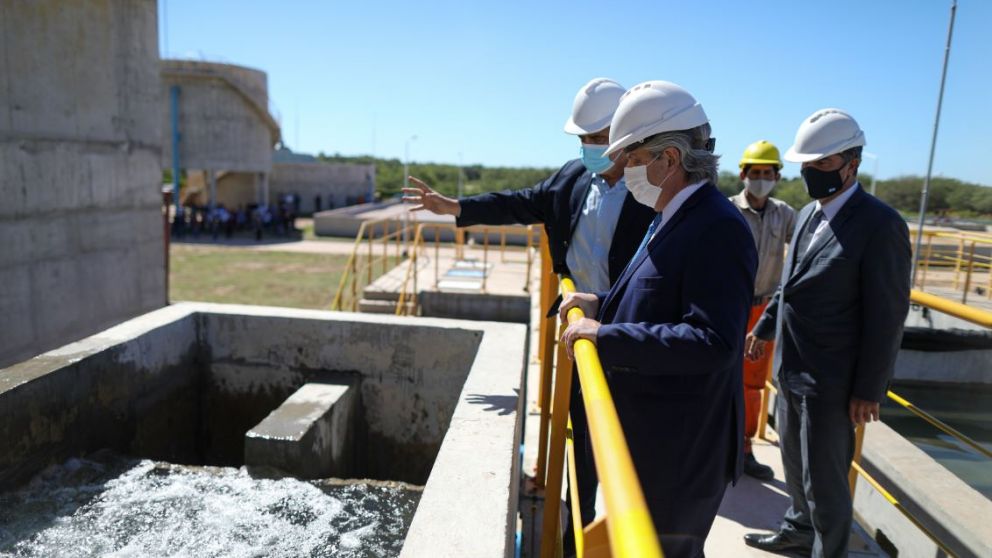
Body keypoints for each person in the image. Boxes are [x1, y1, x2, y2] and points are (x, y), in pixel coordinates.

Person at [402, 78, 656, 542]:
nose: (589, 148)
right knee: (583, 420)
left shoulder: (653, 191)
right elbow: (519, 202)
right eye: (583, 140)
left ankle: (620, 522)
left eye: (598, 139)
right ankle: (584, 521)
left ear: (625, 136)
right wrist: (454, 206)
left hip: (633, 328)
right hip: (581, 328)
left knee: (629, 434)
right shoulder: (573, 179)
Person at [559, 80, 757, 558]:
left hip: (680, 455)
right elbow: (658, 298)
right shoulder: (672, 212)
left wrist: (605, 336)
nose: (623, 170)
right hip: (655, 439)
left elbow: (712, 341)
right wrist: (602, 303)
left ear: (669, 159)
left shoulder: (717, 227)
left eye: (630, 158)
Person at [742, 109, 911, 557]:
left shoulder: (881, 225)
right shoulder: (806, 215)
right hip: (792, 367)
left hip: (834, 381)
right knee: (795, 465)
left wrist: (869, 389)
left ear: (851, 164)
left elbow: (887, 316)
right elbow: (791, 282)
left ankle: (827, 550)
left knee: (826, 481)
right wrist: (763, 324)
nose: (811, 174)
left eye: (822, 165)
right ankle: (798, 530)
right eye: (807, 166)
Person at [729, 140, 796, 480]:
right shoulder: (727, 210)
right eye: (755, 172)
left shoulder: (785, 215)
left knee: (753, 385)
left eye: (767, 173)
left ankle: (744, 449)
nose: (760, 178)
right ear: (743, 174)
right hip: (728, 307)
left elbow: (803, 253)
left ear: (777, 177)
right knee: (720, 377)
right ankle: (717, 447)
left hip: (763, 312)